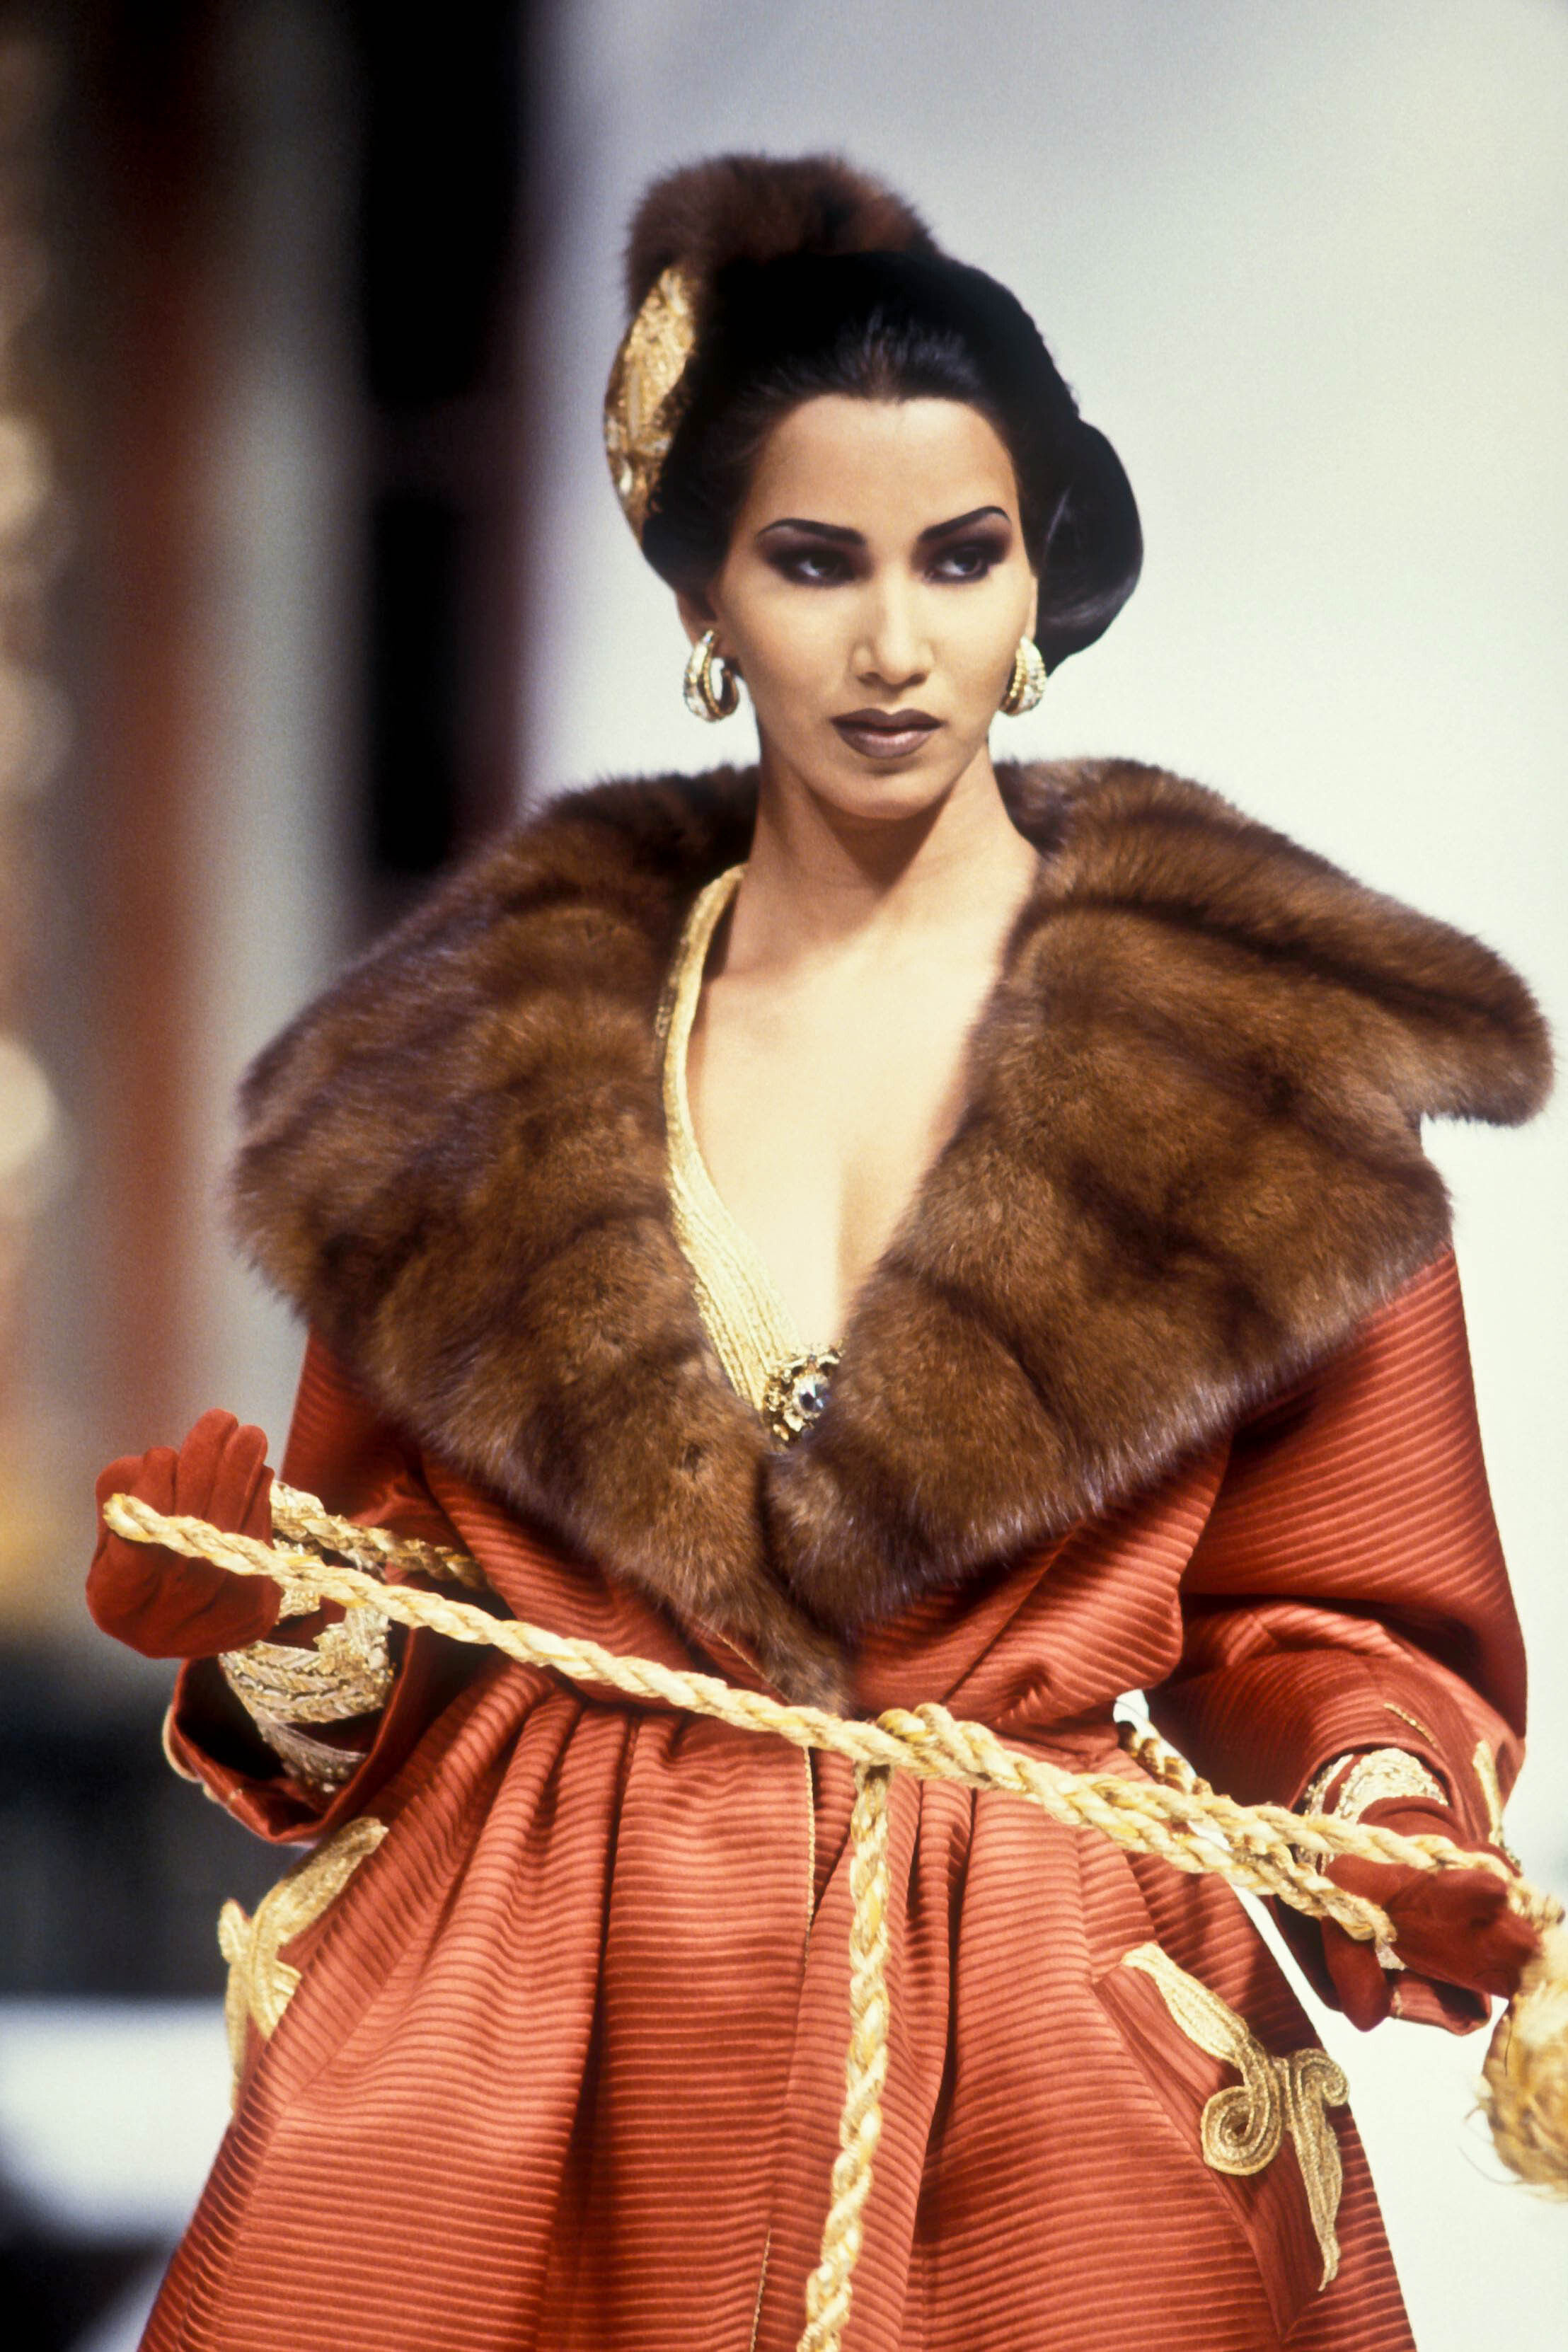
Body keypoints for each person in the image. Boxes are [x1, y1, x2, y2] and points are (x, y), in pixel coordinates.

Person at [87, 155, 1550, 2352]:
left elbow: (1336, 1607)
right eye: (813, 561)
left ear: (1037, 581)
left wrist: (1379, 1800)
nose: (891, 646)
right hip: (537, 2050)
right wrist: (284, 1626)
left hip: (1048, 2066)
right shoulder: (469, 1088)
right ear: (708, 599)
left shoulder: (1262, 1080)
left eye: (959, 557)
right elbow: (402, 1609)